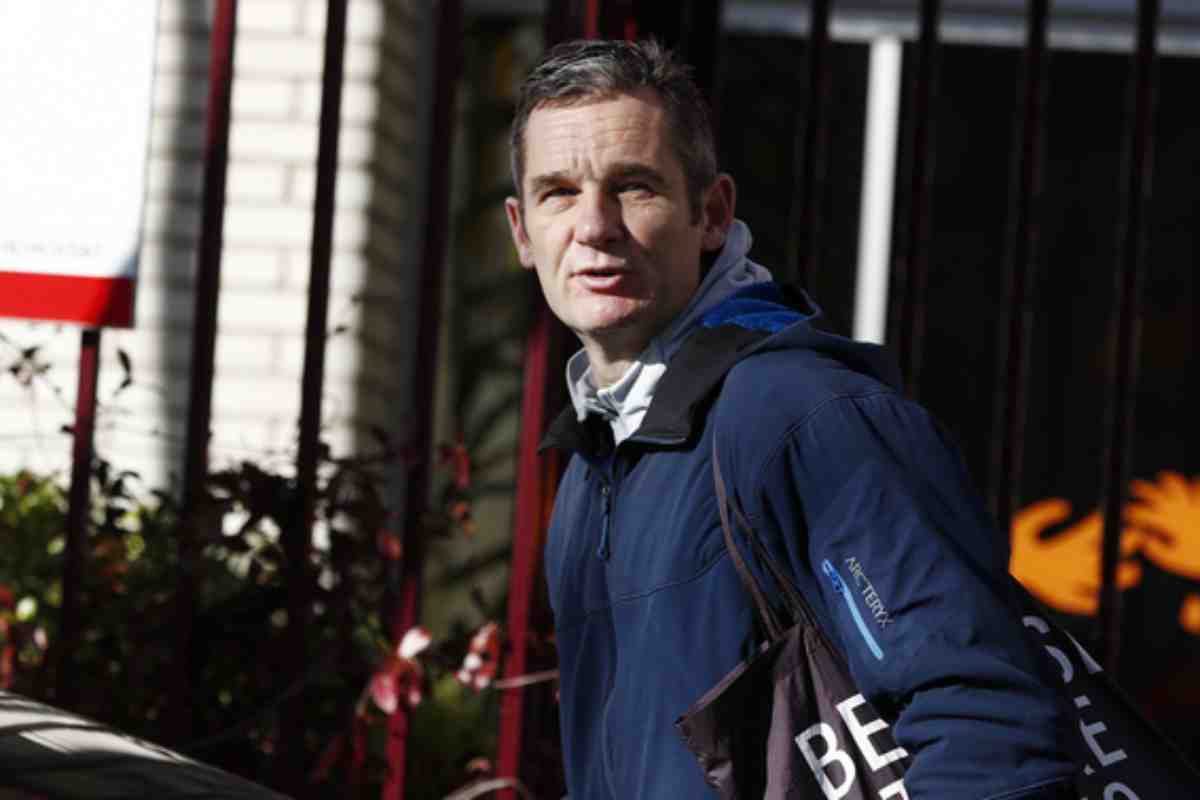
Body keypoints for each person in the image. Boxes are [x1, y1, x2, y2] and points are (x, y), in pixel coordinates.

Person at [504, 38, 1077, 799]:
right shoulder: (594, 462)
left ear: (712, 214)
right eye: (558, 193)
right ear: (522, 231)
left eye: (634, 186)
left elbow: (990, 731)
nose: (594, 225)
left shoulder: (800, 416)